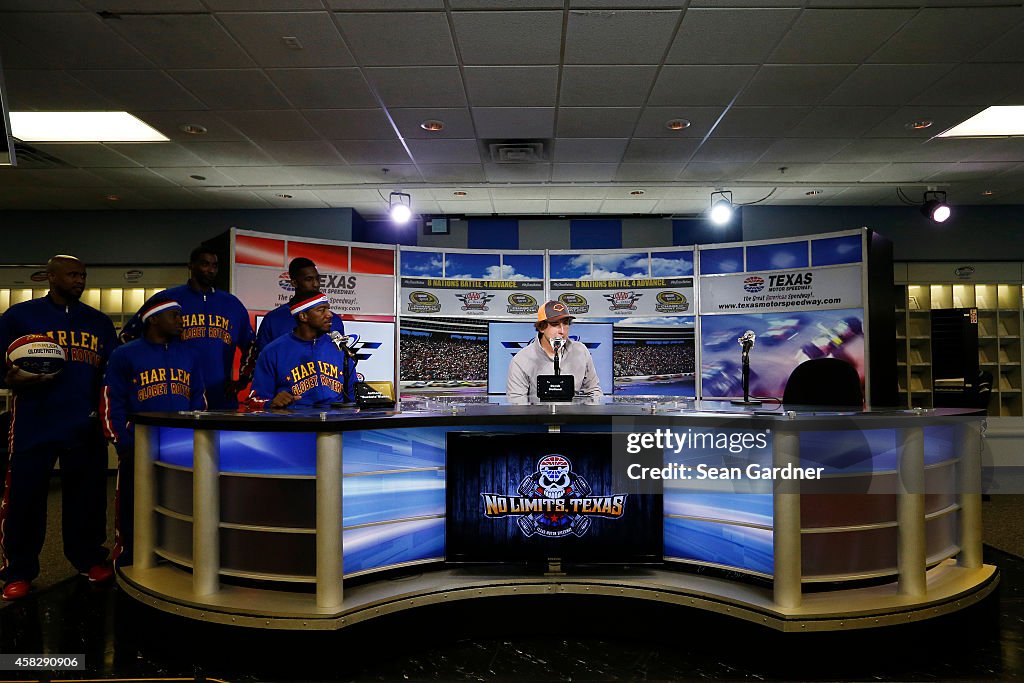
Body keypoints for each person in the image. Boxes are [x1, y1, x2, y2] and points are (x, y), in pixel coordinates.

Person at [0, 255, 119, 601]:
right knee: (25, 499)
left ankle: (88, 558)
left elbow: (111, 370)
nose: (79, 280)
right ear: (50, 277)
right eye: (71, 274)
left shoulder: (97, 322)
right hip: (33, 422)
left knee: (87, 498)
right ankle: (18, 570)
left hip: (83, 424)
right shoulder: (20, 316)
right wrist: (12, 377)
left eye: (83, 274)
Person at [100, 297, 206, 568]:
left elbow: (198, 400)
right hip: (139, 443)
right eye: (175, 316)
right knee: (133, 502)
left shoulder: (191, 354)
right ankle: (127, 553)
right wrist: (122, 440)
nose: (182, 321)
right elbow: (112, 400)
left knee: (180, 501)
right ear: (154, 319)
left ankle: (176, 552)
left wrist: (195, 436)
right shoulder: (125, 354)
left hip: (180, 445)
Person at [120, 245, 255, 410]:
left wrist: (242, 380)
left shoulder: (232, 304)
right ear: (191, 265)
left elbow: (251, 346)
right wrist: (142, 379)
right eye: (205, 264)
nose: (211, 270)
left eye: (215, 265)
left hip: (220, 398)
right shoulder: (168, 299)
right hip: (176, 396)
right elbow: (128, 337)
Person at [249, 293, 355, 409]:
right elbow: (255, 400)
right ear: (303, 316)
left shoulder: (339, 347)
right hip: (295, 423)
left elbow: (354, 394)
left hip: (335, 423)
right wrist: (272, 403)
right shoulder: (273, 352)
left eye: (328, 309)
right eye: (321, 310)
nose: (329, 315)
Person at [254, 257, 353, 366]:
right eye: (309, 279)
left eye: (317, 279)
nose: (316, 284)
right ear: (294, 283)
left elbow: (339, 361)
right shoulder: (273, 319)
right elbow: (262, 362)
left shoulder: (334, 320)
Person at [506, 300, 603, 403]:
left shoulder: (581, 351)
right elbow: (516, 403)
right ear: (541, 327)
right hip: (537, 418)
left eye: (565, 323)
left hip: (574, 417)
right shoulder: (521, 360)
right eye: (555, 324)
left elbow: (593, 391)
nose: (562, 330)